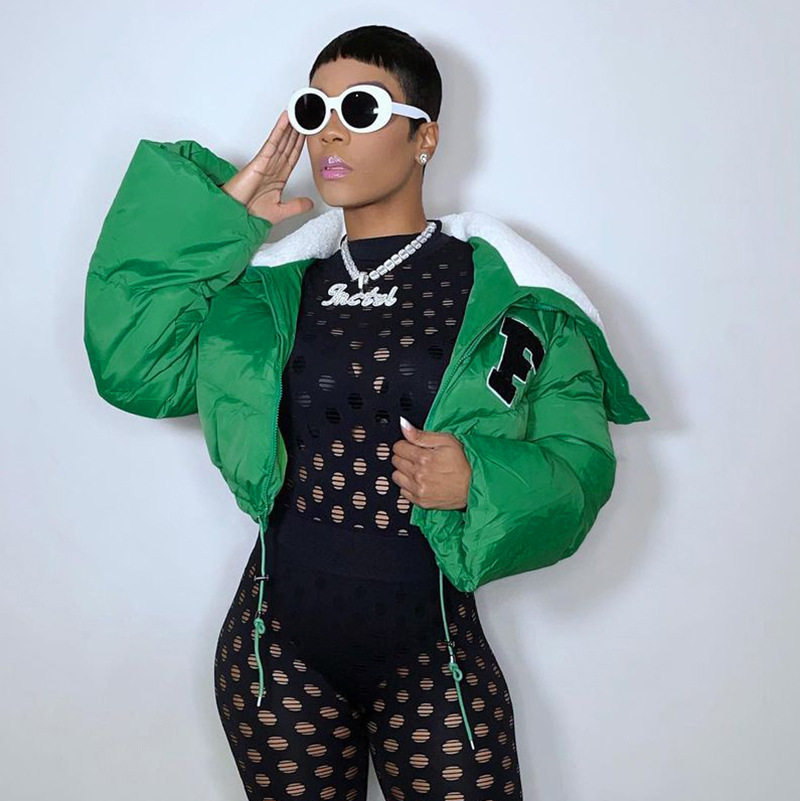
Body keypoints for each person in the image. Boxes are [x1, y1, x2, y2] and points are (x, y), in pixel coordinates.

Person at [84, 24, 648, 801]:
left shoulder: (517, 299)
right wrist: (224, 217)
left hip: (433, 656)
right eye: (314, 110)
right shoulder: (267, 293)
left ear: (426, 138)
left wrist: (479, 479)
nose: (331, 132)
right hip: (274, 656)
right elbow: (135, 365)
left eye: (360, 108)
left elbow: (580, 467)